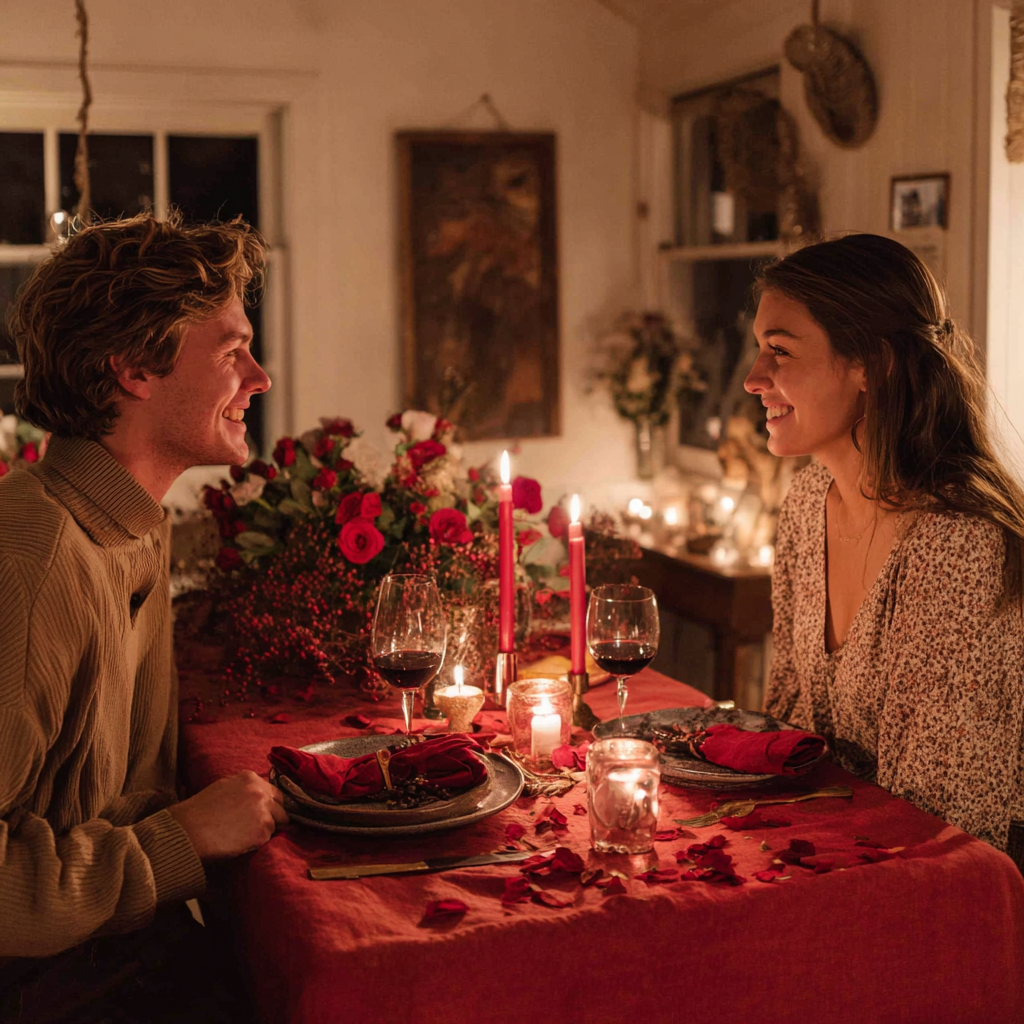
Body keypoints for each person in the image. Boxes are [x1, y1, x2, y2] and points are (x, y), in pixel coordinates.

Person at [0, 213, 287, 1022]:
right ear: (133, 369)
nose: (260, 377)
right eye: (232, 352)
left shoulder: (129, 523)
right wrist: (181, 841)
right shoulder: (32, 561)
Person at [745, 233, 1024, 853]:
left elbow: (940, 823)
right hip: (831, 853)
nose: (752, 378)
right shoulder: (806, 501)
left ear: (872, 364)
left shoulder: (957, 545)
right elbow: (787, 730)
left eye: (780, 351)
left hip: (941, 892)